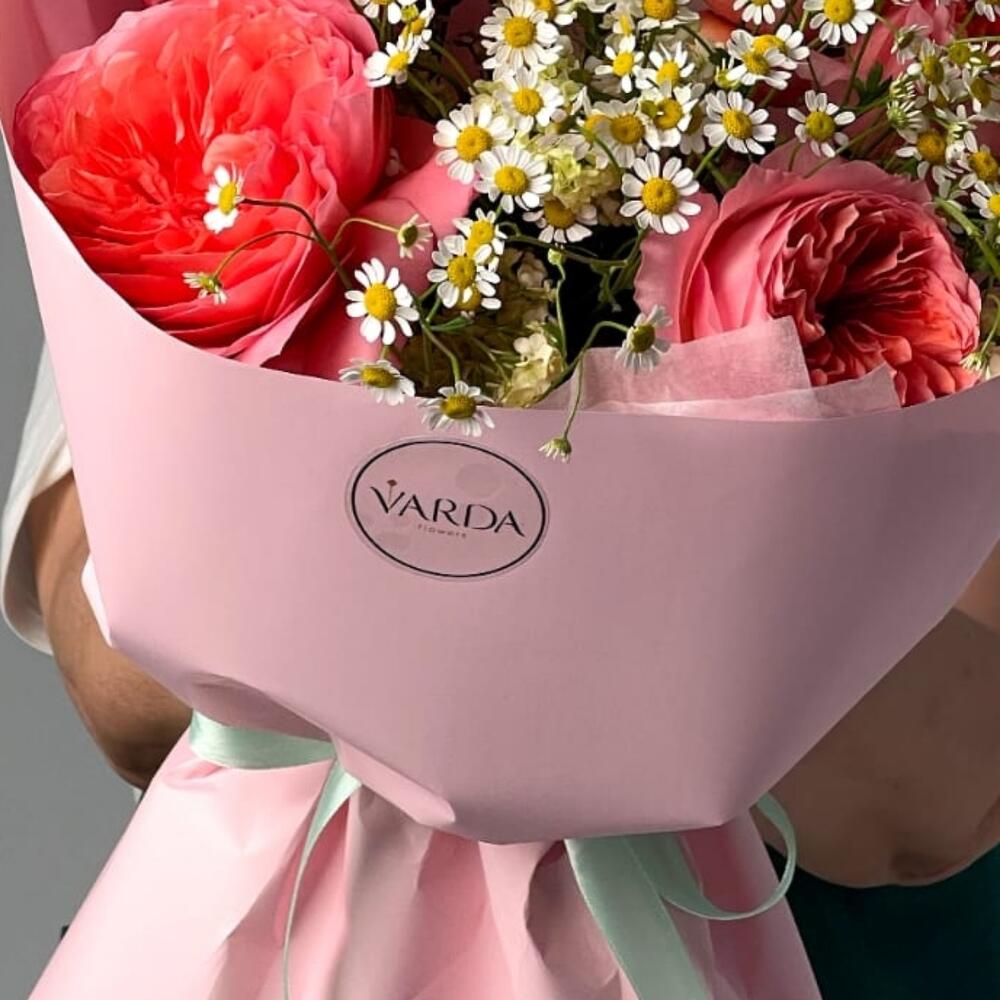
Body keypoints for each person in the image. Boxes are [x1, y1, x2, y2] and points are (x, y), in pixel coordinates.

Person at [6, 345, 1000, 997]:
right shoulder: (232, 124)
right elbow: (118, 683)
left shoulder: (941, 150)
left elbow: (922, 800)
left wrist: (413, 543)